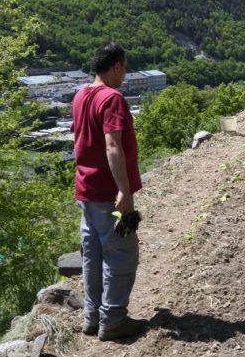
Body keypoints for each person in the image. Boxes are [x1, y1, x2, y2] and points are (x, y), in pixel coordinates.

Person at [72, 42, 145, 342]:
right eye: (125, 68)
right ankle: (113, 320)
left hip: (85, 190)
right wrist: (124, 191)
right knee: (121, 254)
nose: (125, 74)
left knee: (93, 254)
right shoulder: (112, 98)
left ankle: (92, 317)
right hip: (107, 191)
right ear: (115, 66)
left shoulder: (80, 95)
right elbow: (112, 145)